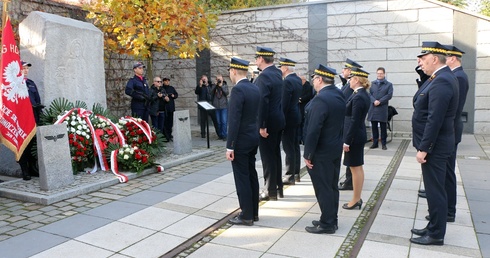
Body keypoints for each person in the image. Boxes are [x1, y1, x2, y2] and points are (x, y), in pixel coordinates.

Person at [410, 42, 458, 246]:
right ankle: (432, 226)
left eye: (424, 57)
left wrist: (424, 148)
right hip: (436, 145)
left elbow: (434, 118)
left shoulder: (443, 81)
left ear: (435, 58)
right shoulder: (438, 78)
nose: (420, 61)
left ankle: (436, 233)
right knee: (433, 189)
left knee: (435, 190)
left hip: (435, 146)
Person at [422, 45, 469, 223]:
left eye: (448, 56)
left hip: (448, 131)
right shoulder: (449, 76)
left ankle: (448, 210)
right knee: (443, 175)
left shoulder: (458, 76)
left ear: (453, 58)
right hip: (447, 130)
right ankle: (445, 211)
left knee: (446, 174)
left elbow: (453, 110)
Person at [303, 64, 345, 234]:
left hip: (321, 151)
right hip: (334, 147)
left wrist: (308, 154)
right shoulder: (338, 94)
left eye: (314, 79)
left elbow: (314, 129)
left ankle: (327, 223)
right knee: (331, 186)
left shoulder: (321, 99)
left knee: (323, 187)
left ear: (320, 79)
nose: (313, 81)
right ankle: (330, 218)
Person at [226, 57, 260, 226]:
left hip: (241, 140)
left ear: (233, 71)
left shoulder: (238, 90)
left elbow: (234, 120)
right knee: (251, 174)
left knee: (242, 178)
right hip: (253, 137)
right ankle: (253, 212)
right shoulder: (254, 88)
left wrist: (229, 145)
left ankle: (246, 215)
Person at [254, 46, 285, 201]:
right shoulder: (277, 73)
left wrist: (262, 125)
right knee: (275, 155)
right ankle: (278, 187)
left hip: (269, 123)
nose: (255, 61)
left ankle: (269, 190)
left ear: (261, 59)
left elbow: (262, 103)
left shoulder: (264, 77)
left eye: (256, 58)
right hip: (278, 119)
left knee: (267, 157)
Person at [342, 67, 371, 210]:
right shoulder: (359, 94)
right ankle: (356, 198)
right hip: (356, 135)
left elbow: (354, 120)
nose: (349, 81)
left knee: (355, 167)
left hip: (354, 136)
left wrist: (347, 140)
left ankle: (356, 199)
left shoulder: (359, 96)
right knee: (356, 166)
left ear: (357, 80)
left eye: (351, 79)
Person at [338, 58, 363, 191]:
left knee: (352, 160)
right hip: (347, 125)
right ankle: (349, 180)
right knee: (351, 160)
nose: (343, 71)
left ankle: (349, 181)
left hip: (349, 127)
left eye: (345, 69)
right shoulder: (348, 85)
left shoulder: (355, 91)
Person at [278, 58, 302, 186]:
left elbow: (284, 103)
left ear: (286, 67)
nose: (280, 69)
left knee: (288, 147)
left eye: (281, 67)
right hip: (296, 116)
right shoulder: (297, 79)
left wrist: (280, 118)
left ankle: (289, 175)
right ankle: (296, 172)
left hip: (288, 118)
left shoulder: (287, 81)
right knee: (295, 146)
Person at [18, 61, 44, 181]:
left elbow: (37, 99)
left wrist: (38, 108)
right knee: (23, 145)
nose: (26, 70)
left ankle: (33, 168)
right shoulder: (14, 84)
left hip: (33, 117)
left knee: (33, 144)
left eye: (27, 68)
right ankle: (25, 170)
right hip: (21, 119)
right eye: (23, 68)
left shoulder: (31, 83)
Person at [367, 67, 393, 150]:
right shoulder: (372, 83)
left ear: (384, 74)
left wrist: (380, 101)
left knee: (383, 128)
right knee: (374, 127)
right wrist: (374, 101)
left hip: (382, 108)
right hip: (373, 108)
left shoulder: (389, 84)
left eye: (381, 73)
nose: (379, 75)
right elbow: (369, 94)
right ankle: (375, 143)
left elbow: (389, 95)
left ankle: (383, 143)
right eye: (378, 73)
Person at [208, 75, 229, 140]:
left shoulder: (225, 85)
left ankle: (224, 135)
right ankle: (220, 135)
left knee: (224, 122)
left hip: (224, 106)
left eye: (220, 79)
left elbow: (227, 93)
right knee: (218, 122)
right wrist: (215, 85)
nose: (219, 80)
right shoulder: (214, 86)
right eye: (218, 79)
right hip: (216, 107)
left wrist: (221, 86)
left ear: (223, 79)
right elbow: (210, 92)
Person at [298, 75, 313, 146]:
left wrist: (301, 99)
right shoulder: (299, 86)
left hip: (304, 105)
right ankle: (299, 139)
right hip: (299, 106)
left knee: (304, 123)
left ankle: (303, 138)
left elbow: (309, 95)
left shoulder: (308, 86)